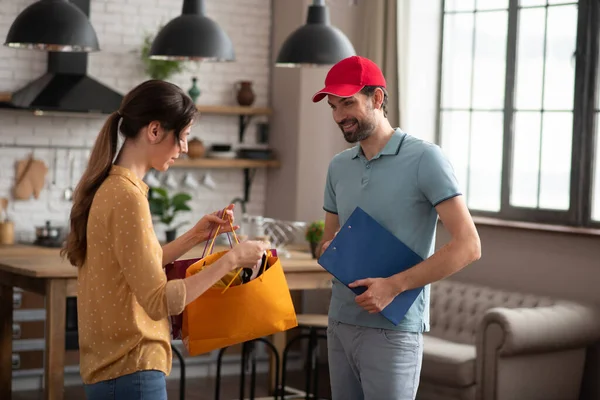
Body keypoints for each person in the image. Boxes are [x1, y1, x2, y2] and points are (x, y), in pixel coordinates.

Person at [60, 80, 270, 400]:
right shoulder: (128, 197)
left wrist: (195, 236)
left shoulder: (111, 187)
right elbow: (161, 301)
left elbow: (137, 267)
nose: (185, 148)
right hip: (132, 370)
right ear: (155, 131)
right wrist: (233, 260)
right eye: (183, 137)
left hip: (112, 370)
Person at [312, 56, 481, 400]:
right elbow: (329, 240)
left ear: (377, 99)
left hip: (393, 329)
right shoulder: (338, 166)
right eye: (333, 105)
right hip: (341, 321)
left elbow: (468, 245)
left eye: (348, 102)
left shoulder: (425, 159)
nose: (339, 115)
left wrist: (393, 286)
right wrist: (327, 251)